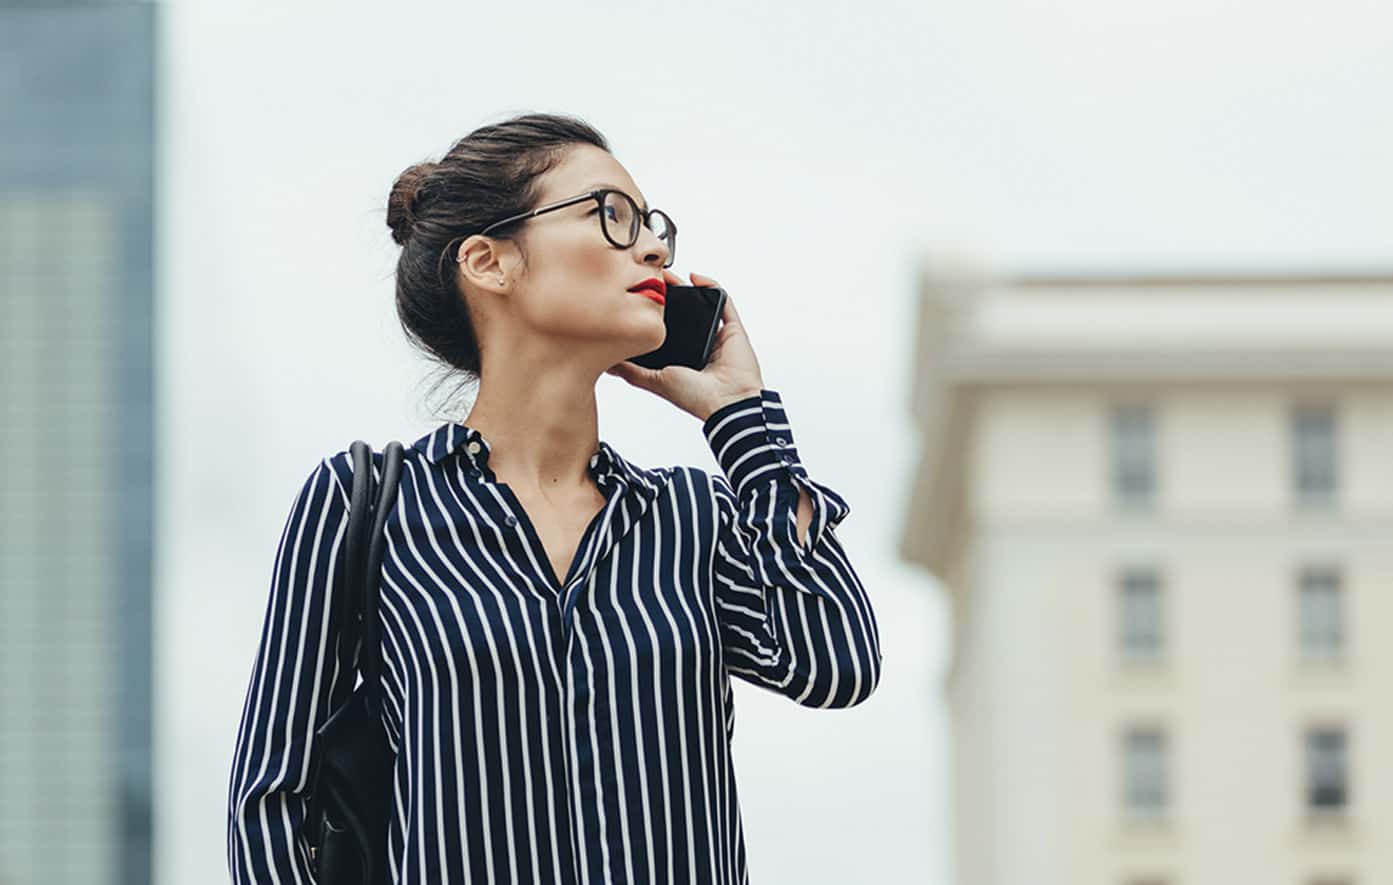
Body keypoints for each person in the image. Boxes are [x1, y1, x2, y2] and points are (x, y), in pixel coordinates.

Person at [226, 111, 881, 884]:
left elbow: (834, 664)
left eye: (653, 226)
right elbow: (270, 801)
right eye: (611, 215)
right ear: (489, 262)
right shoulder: (366, 504)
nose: (654, 248)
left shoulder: (691, 517)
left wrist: (743, 420)